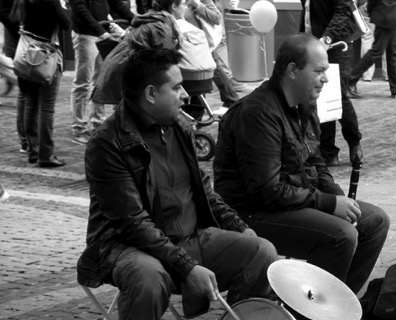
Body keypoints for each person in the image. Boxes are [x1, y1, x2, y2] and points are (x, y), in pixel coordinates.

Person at [77, 49, 277, 320]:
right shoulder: (107, 143)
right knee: (148, 278)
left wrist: (240, 227)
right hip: (126, 246)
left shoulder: (179, 125)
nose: (186, 96)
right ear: (150, 94)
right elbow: (132, 223)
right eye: (177, 87)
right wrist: (186, 267)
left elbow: (204, 190)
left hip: (188, 237)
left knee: (261, 250)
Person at [213, 34, 390, 294]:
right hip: (250, 213)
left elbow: (316, 162)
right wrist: (329, 204)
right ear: (293, 71)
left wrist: (339, 199)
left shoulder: (303, 106)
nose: (326, 78)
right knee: (341, 235)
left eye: (326, 71)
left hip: (290, 201)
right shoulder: (258, 113)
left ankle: (337, 301)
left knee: (374, 221)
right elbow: (266, 192)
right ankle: (309, 307)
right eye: (318, 71)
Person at [292, 0, 363, 166]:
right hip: (314, 44)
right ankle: (327, 150)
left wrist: (326, 39)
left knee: (338, 95)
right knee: (317, 96)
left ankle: (354, 142)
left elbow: (343, 10)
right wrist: (304, 41)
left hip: (335, 45)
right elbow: (306, 12)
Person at [64, 0, 135, 145]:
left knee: (102, 81)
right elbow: (79, 7)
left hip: (102, 31)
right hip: (87, 33)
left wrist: (136, 19)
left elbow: (114, 2)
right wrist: (99, 31)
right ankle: (79, 128)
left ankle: (97, 124)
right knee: (83, 82)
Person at [9, 0, 71, 167]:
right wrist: (61, 5)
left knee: (31, 104)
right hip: (45, 58)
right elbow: (65, 23)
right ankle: (46, 155)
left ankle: (33, 152)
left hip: (26, 56)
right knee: (46, 107)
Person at [93, 0, 183, 105]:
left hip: (122, 65)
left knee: (129, 111)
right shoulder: (161, 26)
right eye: (183, 4)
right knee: (130, 112)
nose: (185, 7)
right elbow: (166, 60)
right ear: (174, 7)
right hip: (124, 68)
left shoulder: (156, 18)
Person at [170, 0, 238, 110]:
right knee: (201, 71)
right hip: (182, 42)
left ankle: (229, 100)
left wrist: (199, 6)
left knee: (208, 70)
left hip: (199, 42)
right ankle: (200, 108)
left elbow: (216, 17)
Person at [0, 0, 41, 153]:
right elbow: (4, 11)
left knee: (37, 91)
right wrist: (23, 26)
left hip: (39, 41)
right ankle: (26, 139)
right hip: (19, 41)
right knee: (26, 91)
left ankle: (34, 136)